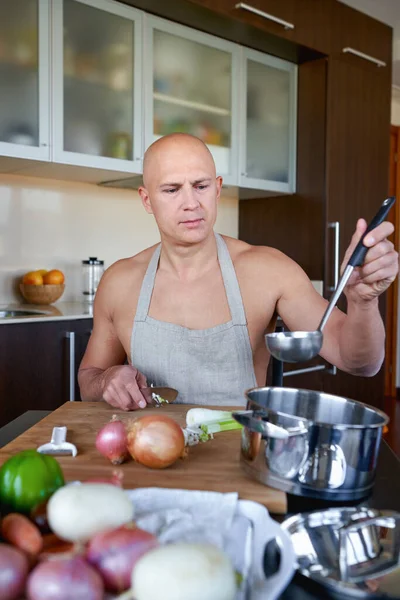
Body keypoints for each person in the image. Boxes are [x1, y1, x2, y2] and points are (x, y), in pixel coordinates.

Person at [78, 133, 399, 411]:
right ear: (147, 200)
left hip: (241, 461)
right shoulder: (120, 282)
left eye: (200, 185)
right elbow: (88, 379)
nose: (191, 203)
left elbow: (359, 362)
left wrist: (363, 302)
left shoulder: (268, 270)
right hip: (148, 457)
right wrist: (106, 379)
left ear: (217, 189)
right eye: (172, 190)